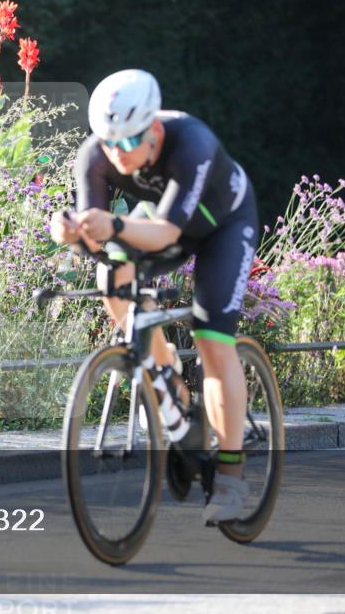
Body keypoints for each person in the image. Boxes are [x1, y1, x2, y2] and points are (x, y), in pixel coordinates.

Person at [50, 69, 258, 523]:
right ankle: (166, 376)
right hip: (161, 225)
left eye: (129, 142)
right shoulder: (96, 154)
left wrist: (115, 228)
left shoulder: (192, 141)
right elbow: (96, 233)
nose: (118, 153)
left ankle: (231, 474)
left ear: (155, 130)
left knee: (211, 338)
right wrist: (71, 231)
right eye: (109, 143)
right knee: (113, 276)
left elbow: (164, 230)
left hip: (222, 225)